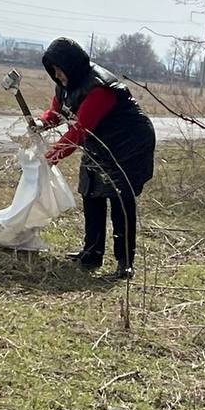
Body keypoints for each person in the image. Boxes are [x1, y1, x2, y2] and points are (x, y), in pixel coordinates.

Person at [38, 37, 156, 280]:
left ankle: (125, 262)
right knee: (90, 191)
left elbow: (79, 130)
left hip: (129, 141)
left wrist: (51, 156)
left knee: (119, 197)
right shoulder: (66, 84)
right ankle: (92, 254)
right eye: (54, 71)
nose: (57, 75)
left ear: (71, 65)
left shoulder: (99, 87)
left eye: (60, 70)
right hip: (100, 140)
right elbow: (58, 112)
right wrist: (41, 123)